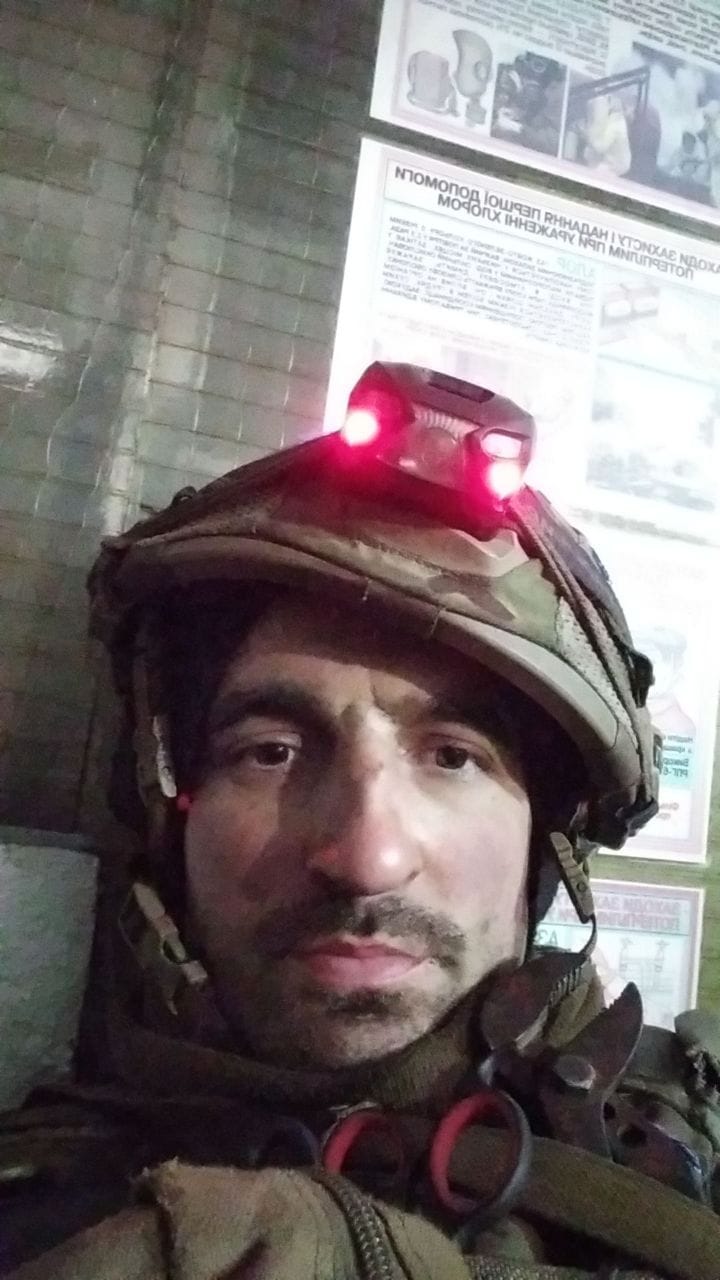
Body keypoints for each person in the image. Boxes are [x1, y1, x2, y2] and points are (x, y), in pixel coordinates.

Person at [1, 363, 719, 1279]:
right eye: (271, 752)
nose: (367, 858)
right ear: (169, 803)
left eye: (452, 757)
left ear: (549, 841)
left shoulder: (692, 1146)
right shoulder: (45, 1212)